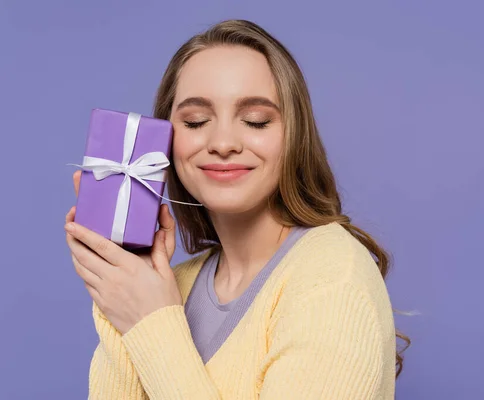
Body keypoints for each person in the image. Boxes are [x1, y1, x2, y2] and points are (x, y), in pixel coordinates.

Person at [65, 19, 408, 399]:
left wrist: (150, 323)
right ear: (166, 140)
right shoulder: (166, 285)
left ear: (294, 134)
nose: (223, 142)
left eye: (255, 121)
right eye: (196, 121)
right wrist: (120, 286)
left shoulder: (332, 280)